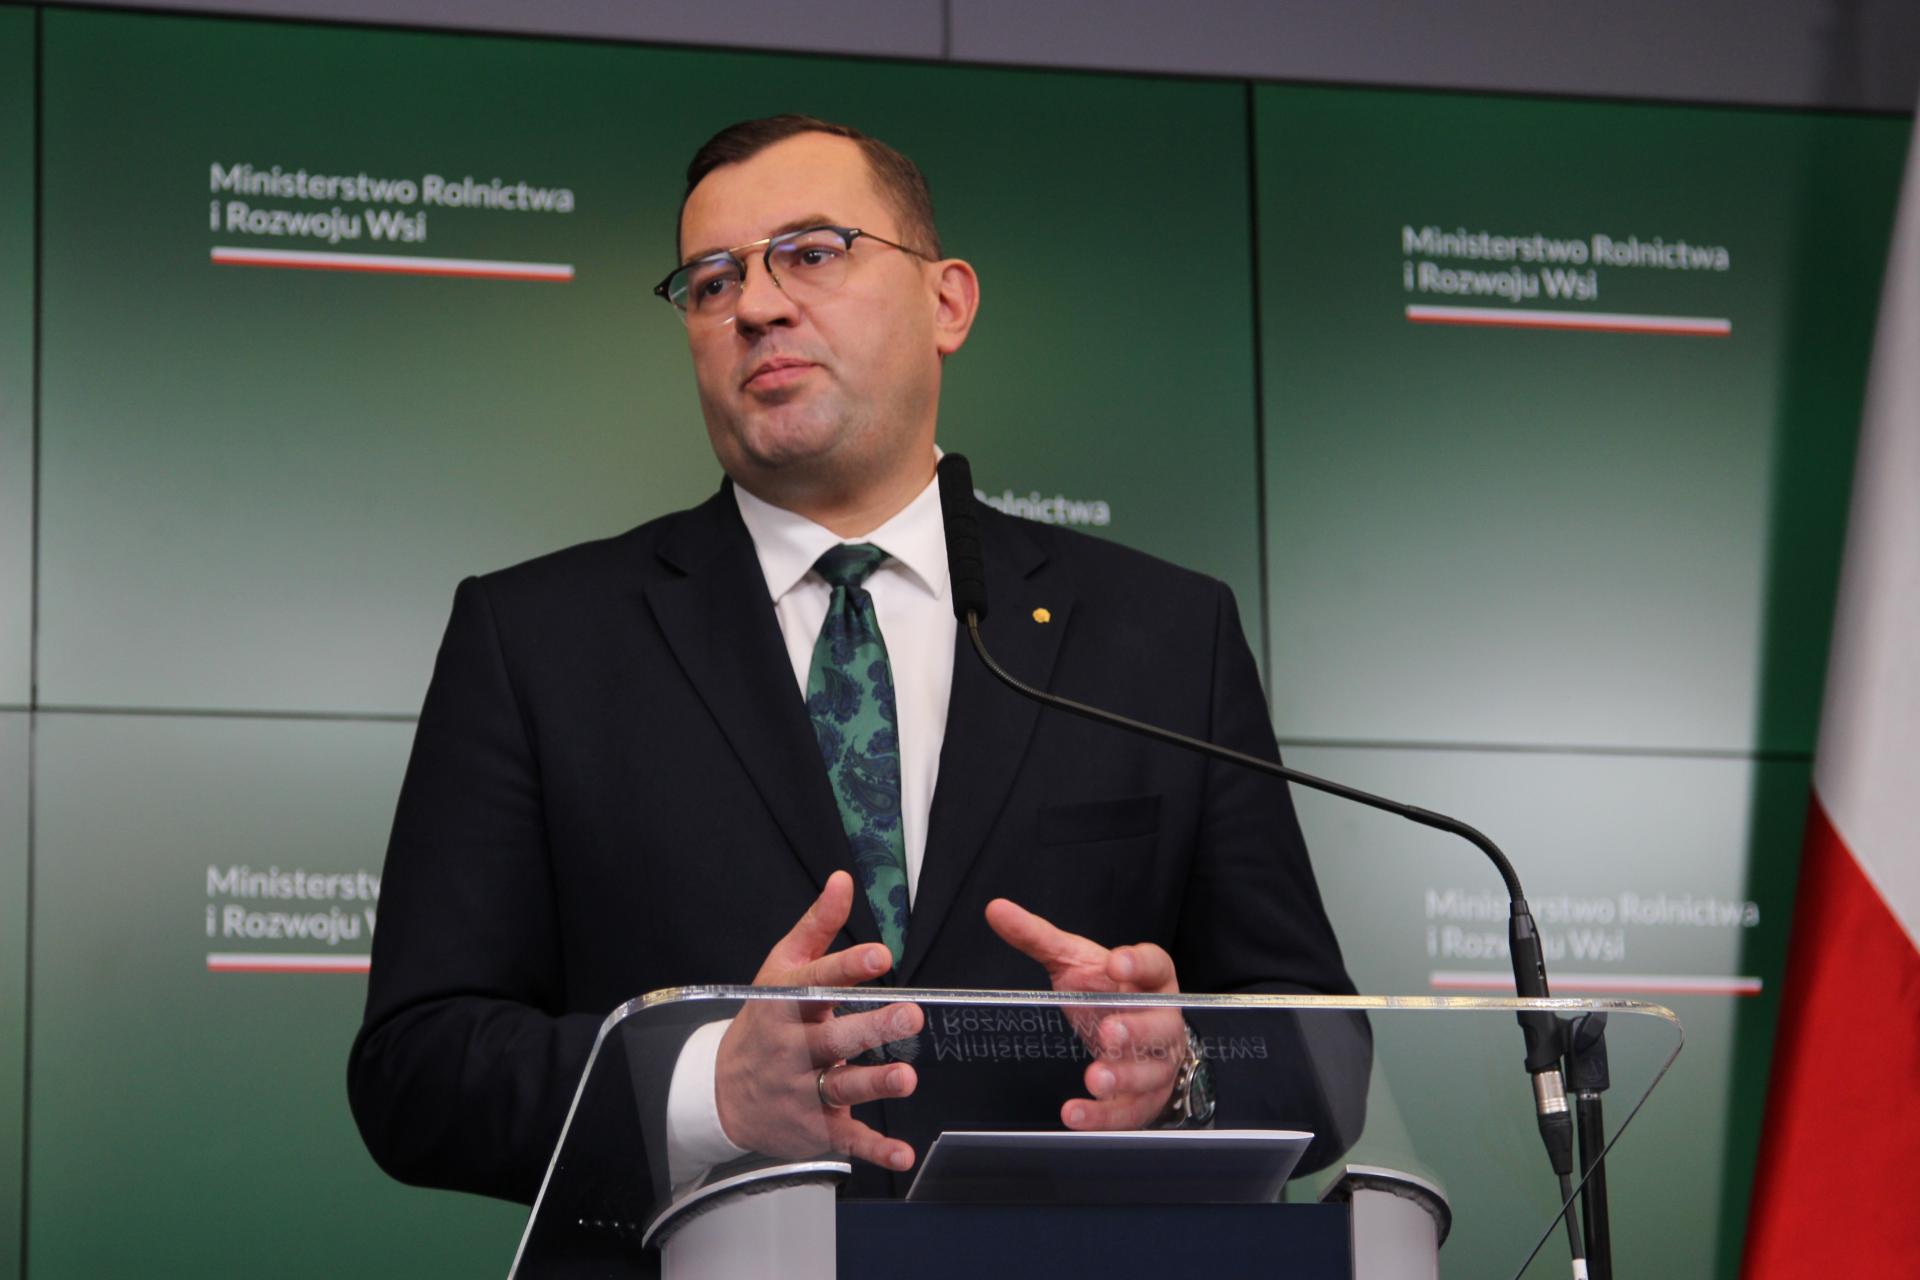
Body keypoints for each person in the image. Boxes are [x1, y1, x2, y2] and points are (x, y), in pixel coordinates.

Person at [348, 115, 1366, 1216]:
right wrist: (709, 1091)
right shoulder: (534, 639)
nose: (756, 306)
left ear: (947, 303)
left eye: (813, 253)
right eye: (712, 281)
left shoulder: (1165, 633)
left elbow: (1325, 1053)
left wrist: (1183, 1071)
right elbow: (418, 1066)